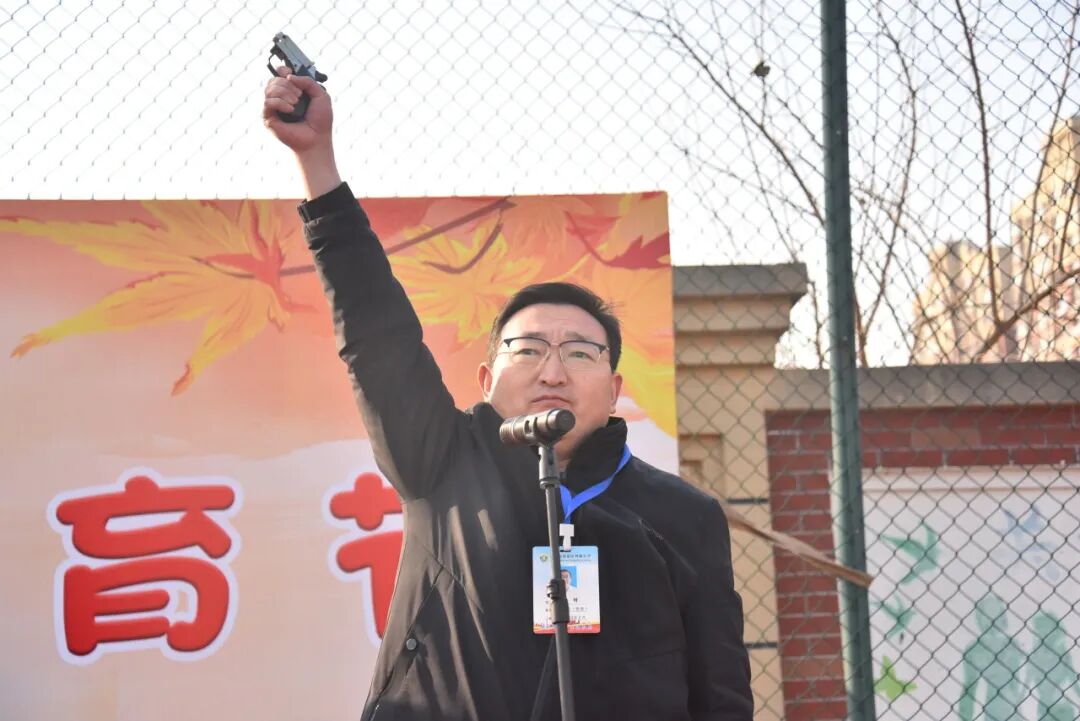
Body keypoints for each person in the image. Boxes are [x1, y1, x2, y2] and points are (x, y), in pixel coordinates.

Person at [264, 68, 753, 721]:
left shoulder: (683, 514)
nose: (553, 370)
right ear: (486, 380)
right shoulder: (443, 463)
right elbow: (377, 337)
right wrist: (317, 164)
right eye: (528, 348)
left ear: (614, 390)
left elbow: (721, 692)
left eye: (580, 352)